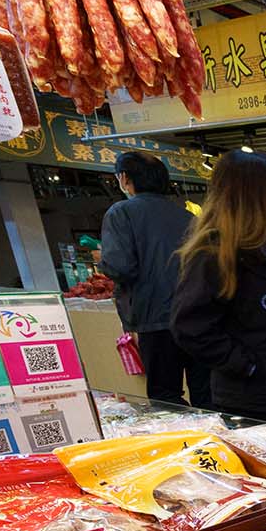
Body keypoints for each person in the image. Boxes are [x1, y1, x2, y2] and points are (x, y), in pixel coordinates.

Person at [172, 151, 266, 422]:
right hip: (253, 404)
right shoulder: (214, 254)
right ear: (249, 197)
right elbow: (191, 328)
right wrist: (249, 366)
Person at [99, 152, 208, 407]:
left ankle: (181, 445)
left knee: (166, 397)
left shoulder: (121, 213)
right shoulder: (187, 216)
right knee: (206, 394)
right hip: (197, 316)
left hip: (155, 318)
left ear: (124, 178)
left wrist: (103, 261)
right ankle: (215, 443)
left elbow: (119, 266)